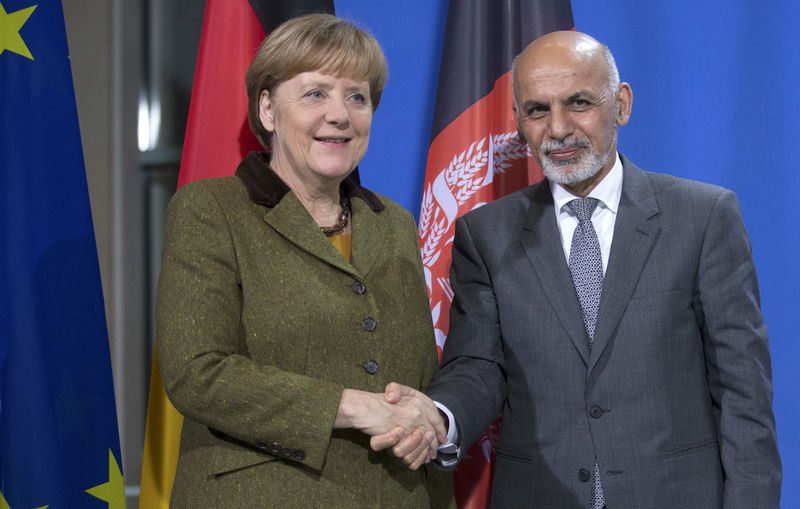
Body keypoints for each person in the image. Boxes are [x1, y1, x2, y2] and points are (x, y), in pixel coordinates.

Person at [376, 31, 782, 508]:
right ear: (518, 122)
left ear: (622, 104)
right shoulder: (485, 235)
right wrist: (438, 417)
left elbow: (743, 396)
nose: (559, 128)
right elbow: (478, 368)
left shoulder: (704, 217)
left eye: (579, 103)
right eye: (537, 110)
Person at [156, 13, 451, 508]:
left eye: (356, 97)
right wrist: (357, 408)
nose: (339, 115)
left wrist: (426, 421)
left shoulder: (394, 224)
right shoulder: (212, 210)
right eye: (315, 93)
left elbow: (417, 373)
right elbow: (198, 372)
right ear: (268, 109)